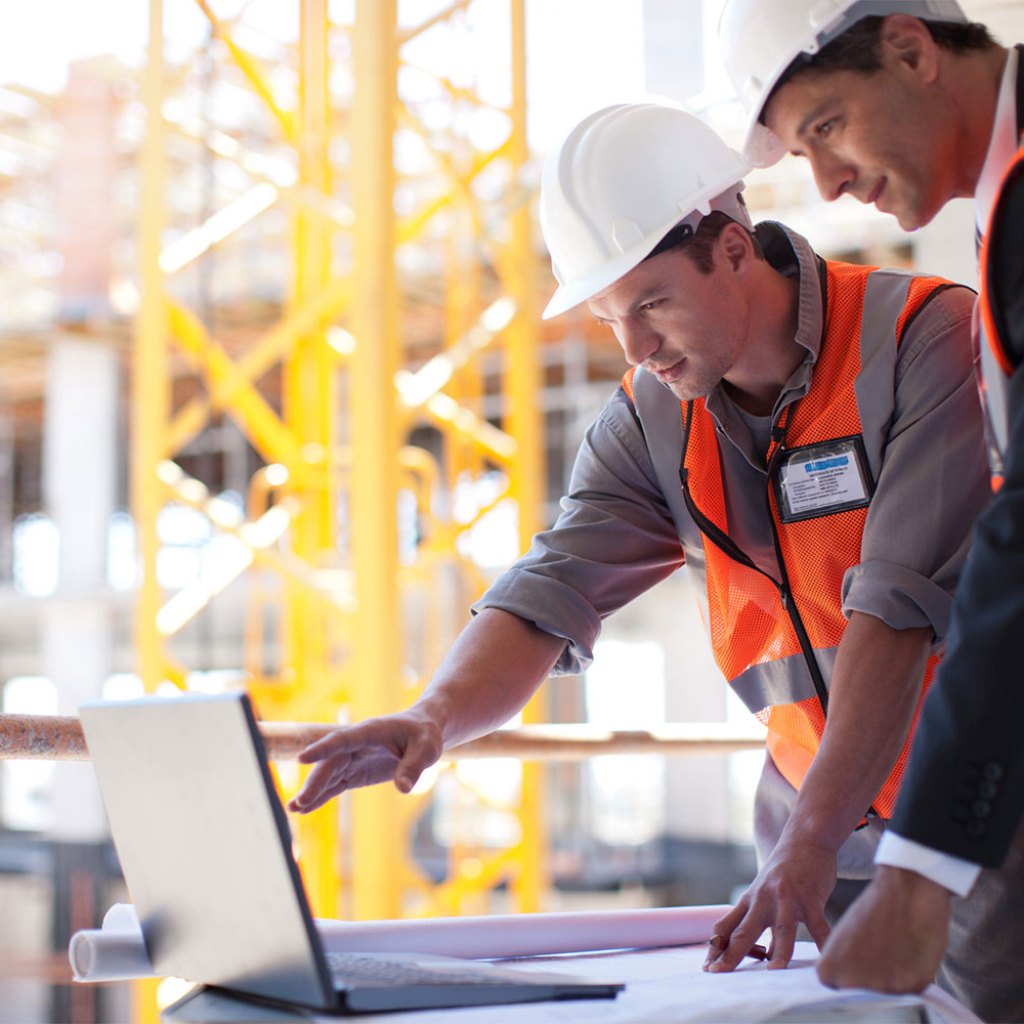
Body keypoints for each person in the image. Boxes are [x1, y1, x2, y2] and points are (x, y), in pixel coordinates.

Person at [288, 101, 989, 979]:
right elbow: (553, 588)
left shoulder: (919, 338)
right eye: (609, 317)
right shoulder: (653, 416)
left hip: (974, 819)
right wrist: (434, 715)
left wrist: (808, 841)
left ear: (731, 249)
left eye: (654, 302)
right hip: (811, 838)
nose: (637, 347)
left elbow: (898, 610)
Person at [717, 1, 1024, 1019]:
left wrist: (920, 871)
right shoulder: (998, 207)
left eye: (828, 128)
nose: (828, 184)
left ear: (910, 48)